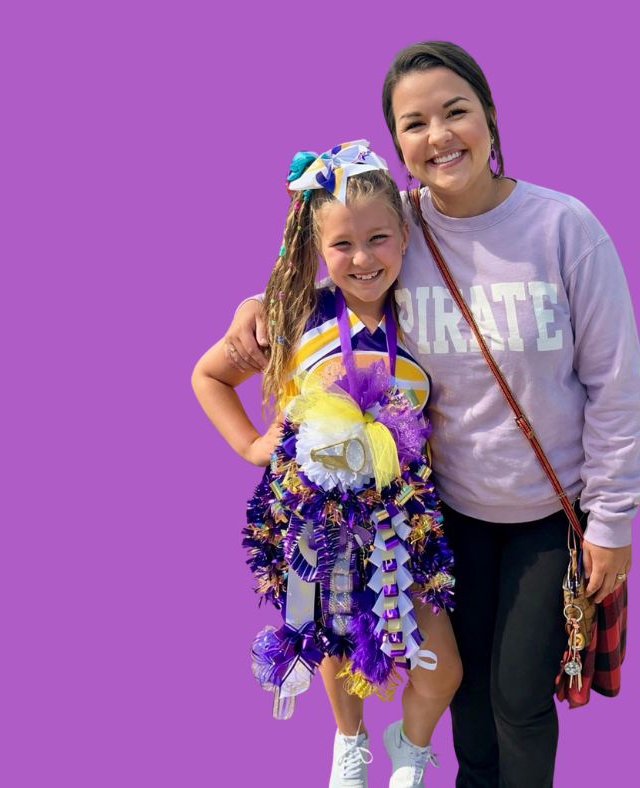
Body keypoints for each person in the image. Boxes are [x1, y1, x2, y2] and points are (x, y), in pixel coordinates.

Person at [224, 42, 640, 788]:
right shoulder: (399, 231)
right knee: (468, 697)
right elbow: (333, 257)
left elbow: (616, 384)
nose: (439, 134)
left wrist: (611, 523)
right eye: (415, 123)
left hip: (550, 511)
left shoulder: (564, 228)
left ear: (489, 116)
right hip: (446, 510)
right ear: (398, 147)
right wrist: (260, 306)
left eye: (455, 111)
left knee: (518, 698)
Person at [192, 141, 462, 788]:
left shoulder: (424, 316)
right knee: (339, 644)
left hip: (405, 525)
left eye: (379, 238)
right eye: (342, 245)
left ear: (405, 234)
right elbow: (209, 376)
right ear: (316, 247)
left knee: (442, 667)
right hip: (320, 521)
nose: (363, 259)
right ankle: (350, 743)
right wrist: (254, 446)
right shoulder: (293, 318)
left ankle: (412, 744)